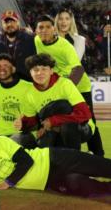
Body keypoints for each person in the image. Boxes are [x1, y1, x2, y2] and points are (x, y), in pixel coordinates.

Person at [34, 15, 103, 156]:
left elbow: (78, 69)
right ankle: (64, 154)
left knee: (89, 120)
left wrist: (66, 88)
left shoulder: (65, 46)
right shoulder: (37, 41)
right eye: (41, 27)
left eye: (48, 27)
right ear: (36, 30)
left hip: (79, 86)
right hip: (61, 86)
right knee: (62, 120)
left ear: (54, 29)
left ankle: (98, 154)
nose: (44, 30)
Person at [22, 53, 93, 151]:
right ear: (30, 72)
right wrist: (22, 122)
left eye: (44, 69)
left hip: (81, 128)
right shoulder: (29, 93)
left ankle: (75, 159)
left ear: (51, 71)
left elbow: (85, 114)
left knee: (67, 125)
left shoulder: (65, 84)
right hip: (50, 129)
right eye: (35, 70)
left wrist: (53, 121)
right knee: (43, 147)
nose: (39, 73)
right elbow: (31, 122)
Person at [0, 54, 36, 148]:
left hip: (22, 133)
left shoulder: (29, 87)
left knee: (11, 146)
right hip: (1, 133)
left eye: (6, 65)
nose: (2, 69)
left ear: (13, 69)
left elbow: (36, 113)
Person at [0, 10, 36, 81]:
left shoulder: (31, 40)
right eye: (6, 22)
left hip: (28, 82)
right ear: (2, 25)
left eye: (12, 21)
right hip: (7, 83)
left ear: (18, 23)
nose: (9, 25)